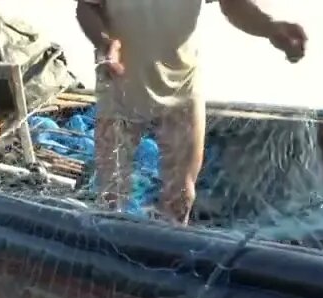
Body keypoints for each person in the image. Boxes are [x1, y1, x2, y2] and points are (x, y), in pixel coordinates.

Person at [75, 0, 307, 224]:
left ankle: (167, 253)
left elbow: (234, 4)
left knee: (181, 197)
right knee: (111, 194)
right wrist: (104, 42)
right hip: (119, 82)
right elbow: (87, 7)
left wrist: (270, 27)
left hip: (181, 86)